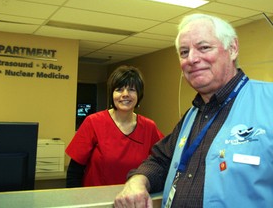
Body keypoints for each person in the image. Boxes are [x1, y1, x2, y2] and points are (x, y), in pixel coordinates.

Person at [114, 13, 273, 208]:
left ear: (232, 49)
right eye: (183, 52)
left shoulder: (268, 102)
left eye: (204, 47)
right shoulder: (193, 115)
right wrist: (137, 181)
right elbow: (161, 160)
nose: (192, 59)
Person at [66, 65, 164, 187]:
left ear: (139, 94)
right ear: (112, 94)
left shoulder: (149, 127)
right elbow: (74, 173)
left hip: (133, 200)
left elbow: (161, 164)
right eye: (119, 89)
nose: (125, 94)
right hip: (96, 201)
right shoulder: (93, 122)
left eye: (132, 89)